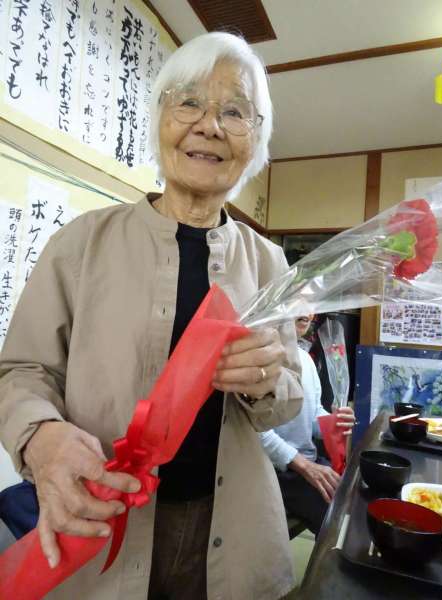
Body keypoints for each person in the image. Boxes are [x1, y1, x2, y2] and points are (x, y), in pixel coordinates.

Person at [0, 33, 303, 600]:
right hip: (100, 525)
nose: (209, 126)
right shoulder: (80, 243)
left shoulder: (269, 263)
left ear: (256, 141)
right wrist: (39, 436)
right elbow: (20, 371)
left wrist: (266, 380)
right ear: (159, 117)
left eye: (234, 112)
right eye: (188, 102)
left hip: (230, 531)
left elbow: (285, 401)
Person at [260, 315, 355, 536]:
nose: (308, 313)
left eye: (312, 305)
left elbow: (313, 416)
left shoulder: (305, 358)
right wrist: (304, 467)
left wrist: (334, 422)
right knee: (340, 524)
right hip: (275, 471)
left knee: (354, 495)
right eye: (298, 303)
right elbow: (255, 431)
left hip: (307, 462)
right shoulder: (260, 358)